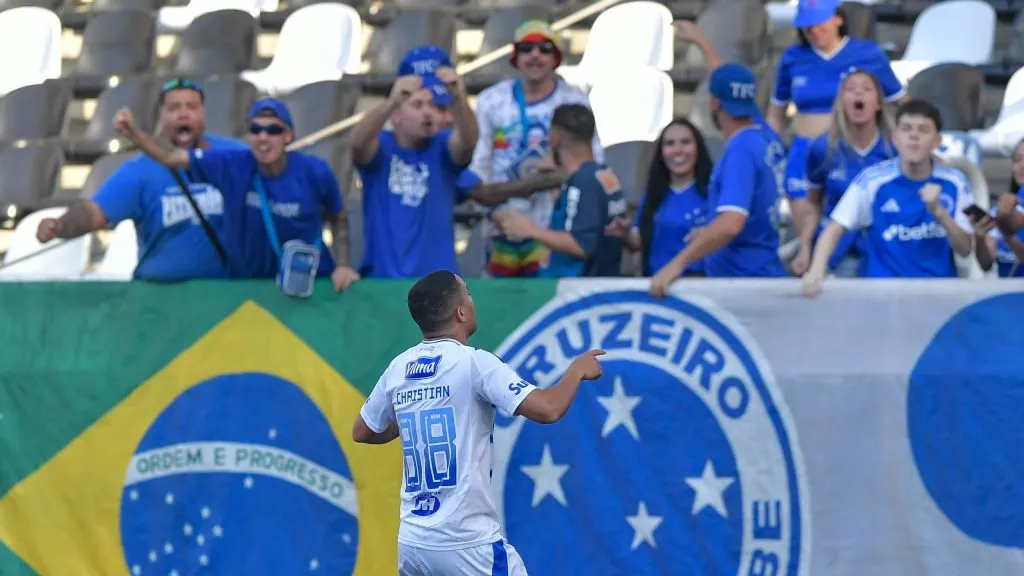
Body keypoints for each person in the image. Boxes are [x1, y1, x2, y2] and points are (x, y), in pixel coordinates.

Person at [352, 270, 605, 576]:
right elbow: (549, 409)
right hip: (466, 542)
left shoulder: (400, 367)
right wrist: (576, 370)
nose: (472, 301)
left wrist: (409, 412)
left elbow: (363, 430)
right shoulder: (474, 363)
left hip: (413, 542)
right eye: (468, 293)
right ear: (460, 312)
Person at [111, 98, 359, 291]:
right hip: (247, 291)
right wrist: (135, 134)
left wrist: (344, 265)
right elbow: (171, 157)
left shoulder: (315, 171)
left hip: (310, 288)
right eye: (256, 129)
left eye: (273, 130)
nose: (263, 137)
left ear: (288, 136)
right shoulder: (232, 164)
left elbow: (338, 216)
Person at [35, 78, 248, 281]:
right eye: (174, 108)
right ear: (160, 116)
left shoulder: (234, 155)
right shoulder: (140, 171)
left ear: (204, 113)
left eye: (192, 107)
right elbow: (94, 212)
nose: (183, 114)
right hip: (162, 297)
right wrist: (61, 225)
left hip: (228, 295)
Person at [470, 19, 602, 277]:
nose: (535, 55)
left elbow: (593, 159)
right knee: (503, 306)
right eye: (526, 48)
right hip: (502, 225)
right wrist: (497, 214)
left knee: (546, 305)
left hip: (556, 228)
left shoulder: (574, 99)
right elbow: (478, 166)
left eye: (544, 48)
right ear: (515, 57)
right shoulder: (491, 100)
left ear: (556, 58)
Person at [766, 0, 904, 245]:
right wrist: (769, 151)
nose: (813, 31)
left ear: (838, 18)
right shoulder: (793, 57)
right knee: (807, 225)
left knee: (858, 222)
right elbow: (776, 112)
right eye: (807, 26)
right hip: (804, 150)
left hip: (850, 150)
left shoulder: (867, 54)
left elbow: (900, 101)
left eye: (819, 23)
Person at [802, 100, 974, 296]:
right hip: (882, 295)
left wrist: (939, 212)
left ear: (936, 142)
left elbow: (965, 248)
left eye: (923, 130)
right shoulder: (873, 180)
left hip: (937, 295)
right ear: (895, 138)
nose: (914, 136)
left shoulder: (955, 181)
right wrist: (816, 270)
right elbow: (834, 228)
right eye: (907, 129)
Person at [650, 63, 787, 296]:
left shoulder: (740, 149)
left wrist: (676, 264)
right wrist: (709, 232)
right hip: (759, 273)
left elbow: (732, 223)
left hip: (744, 283)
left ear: (714, 102)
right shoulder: (766, 138)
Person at [349, 46, 478, 278]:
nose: (427, 112)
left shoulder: (442, 146)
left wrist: (459, 97)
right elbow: (357, 146)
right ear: (396, 116)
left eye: (434, 106)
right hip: (383, 281)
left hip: (438, 286)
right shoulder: (381, 147)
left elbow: (468, 143)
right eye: (417, 105)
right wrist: (390, 102)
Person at [493, 104, 627, 277]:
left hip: (579, 292)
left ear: (554, 138)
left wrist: (530, 229)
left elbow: (581, 244)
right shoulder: (604, 174)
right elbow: (581, 218)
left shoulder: (582, 181)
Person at [790, 70, 897, 277]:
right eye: (850, 89)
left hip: (884, 249)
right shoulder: (823, 148)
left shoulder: (895, 147)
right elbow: (813, 204)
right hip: (839, 249)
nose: (858, 93)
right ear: (841, 102)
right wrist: (804, 247)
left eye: (866, 89)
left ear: (877, 104)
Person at [605, 118, 714, 277]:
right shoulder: (653, 195)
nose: (677, 150)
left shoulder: (713, 193)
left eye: (685, 142)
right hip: (657, 290)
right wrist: (625, 234)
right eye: (670, 143)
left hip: (700, 288)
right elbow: (639, 241)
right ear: (661, 152)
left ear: (698, 148)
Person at [971, 138, 1024, 277]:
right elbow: (986, 264)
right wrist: (979, 237)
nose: (1022, 165)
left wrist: (1007, 234)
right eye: (1017, 159)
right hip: (1006, 295)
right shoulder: (999, 209)